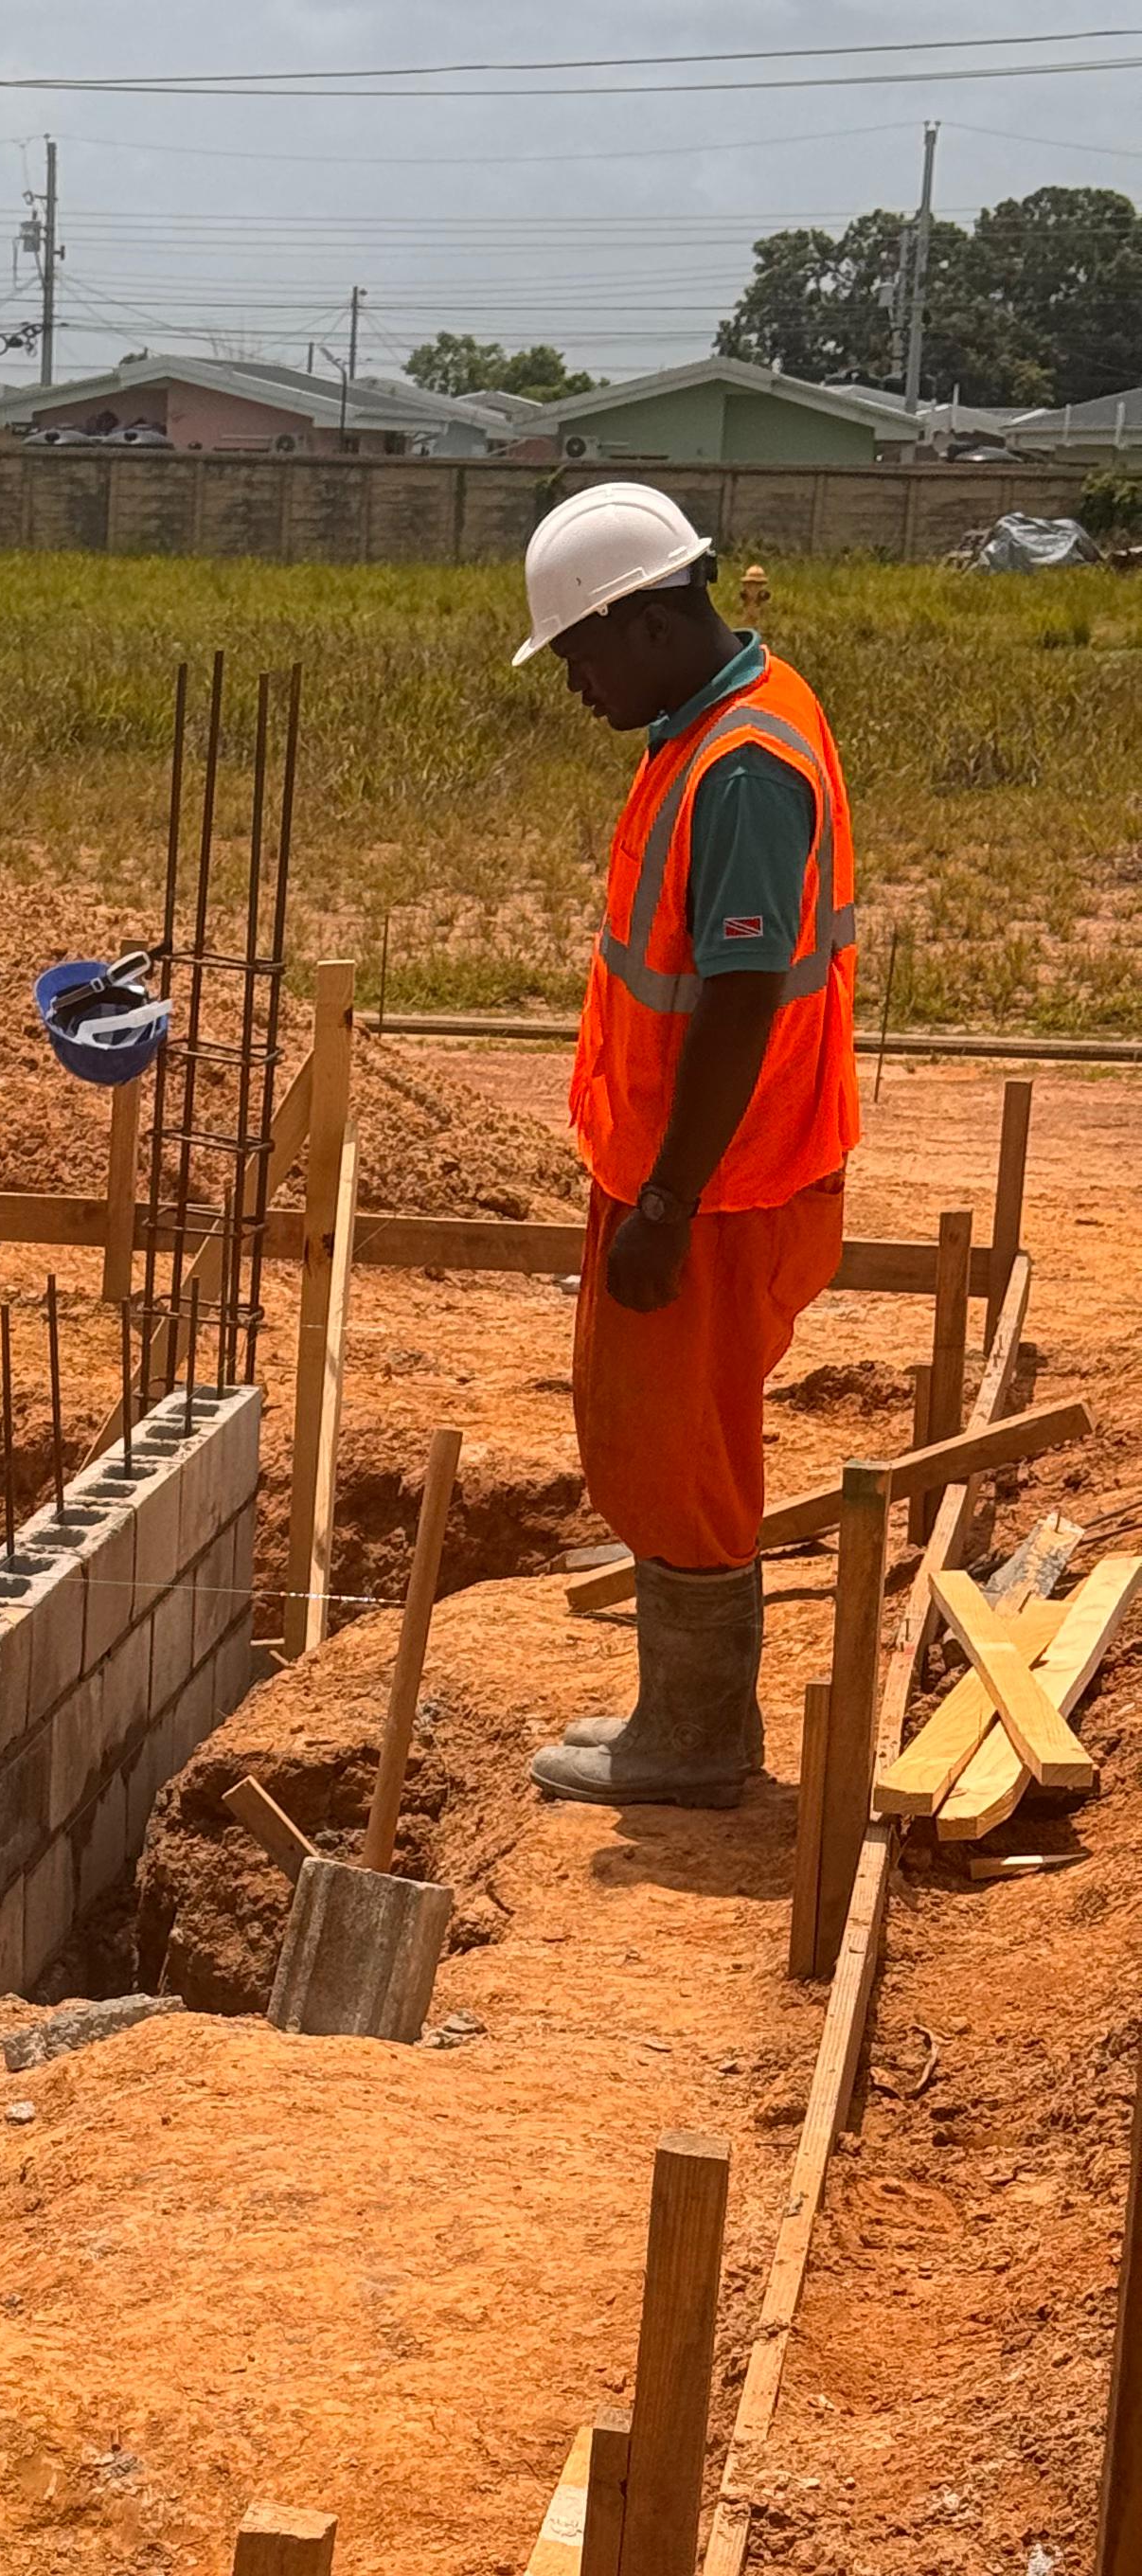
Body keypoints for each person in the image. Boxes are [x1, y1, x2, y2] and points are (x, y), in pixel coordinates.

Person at [514, 481, 858, 1809]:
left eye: (581, 653)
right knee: (657, 1435)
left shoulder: (744, 764)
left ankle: (704, 1740)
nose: (574, 683)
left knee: (691, 1449)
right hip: (692, 1167)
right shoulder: (707, 723)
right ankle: (676, 1707)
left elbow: (739, 994)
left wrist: (667, 1198)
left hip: (721, 1180)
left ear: (650, 619)